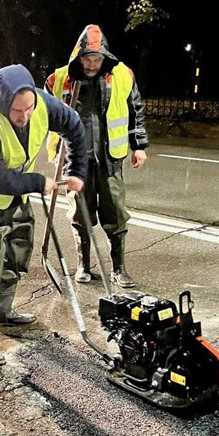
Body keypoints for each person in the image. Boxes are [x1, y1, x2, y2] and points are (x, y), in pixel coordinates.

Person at [0, 64, 87, 366]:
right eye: (17, 110)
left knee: (17, 248)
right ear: (3, 101)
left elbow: (75, 126)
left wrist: (77, 171)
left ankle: (2, 314)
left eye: (29, 108)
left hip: (16, 191)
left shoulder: (40, 103)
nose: (25, 116)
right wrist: (39, 182)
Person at [44, 24, 149, 288]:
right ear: (78, 57)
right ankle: (84, 265)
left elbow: (135, 110)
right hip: (75, 161)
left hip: (109, 158)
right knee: (81, 215)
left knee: (116, 214)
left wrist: (138, 145)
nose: (92, 65)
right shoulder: (58, 80)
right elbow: (43, 118)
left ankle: (119, 269)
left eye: (97, 59)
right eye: (87, 59)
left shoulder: (122, 75)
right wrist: (54, 152)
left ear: (105, 58)